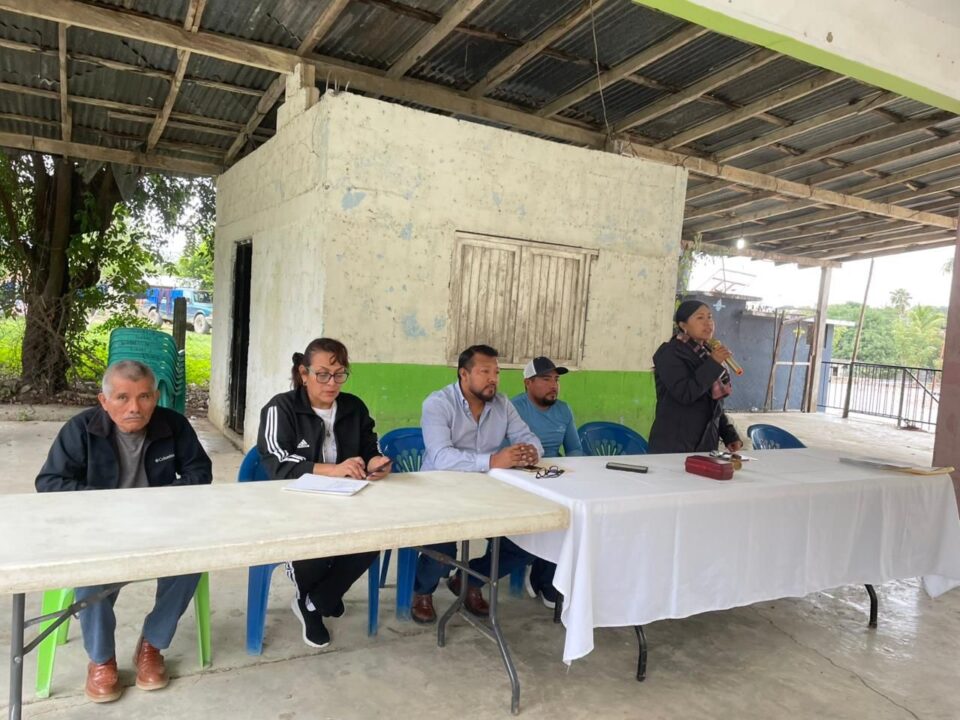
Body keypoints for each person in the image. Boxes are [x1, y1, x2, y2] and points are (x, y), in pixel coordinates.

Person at [35, 360, 212, 704]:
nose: (135, 407)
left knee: (192, 560)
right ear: (104, 401)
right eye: (122, 398)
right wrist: (109, 505)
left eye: (144, 397)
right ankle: (102, 660)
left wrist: (158, 500)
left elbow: (200, 472)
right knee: (91, 572)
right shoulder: (81, 429)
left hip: (158, 525)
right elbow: (50, 482)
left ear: (155, 397)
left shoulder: (173, 425)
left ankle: (152, 644)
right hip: (100, 529)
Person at [257, 337, 391, 649]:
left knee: (377, 535)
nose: (332, 383)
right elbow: (277, 462)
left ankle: (315, 601)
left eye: (339, 374)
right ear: (303, 374)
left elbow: (369, 446)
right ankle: (319, 599)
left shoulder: (354, 407)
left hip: (347, 499)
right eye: (322, 375)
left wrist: (376, 462)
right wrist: (334, 469)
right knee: (314, 547)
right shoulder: (281, 408)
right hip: (294, 503)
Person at [412, 344, 544, 624]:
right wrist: (493, 460)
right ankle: (423, 591)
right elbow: (441, 456)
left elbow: (527, 436)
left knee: (529, 540)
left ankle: (469, 579)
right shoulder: (438, 403)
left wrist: (532, 451)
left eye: (496, 372)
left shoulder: (502, 404)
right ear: (464, 374)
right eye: (485, 372)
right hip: (440, 490)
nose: (493, 379)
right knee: (442, 552)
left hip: (488, 492)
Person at [510, 356, 583, 609]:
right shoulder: (513, 409)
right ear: (528, 383)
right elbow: (505, 452)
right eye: (545, 379)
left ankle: (548, 576)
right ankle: (540, 574)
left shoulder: (563, 409)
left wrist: (572, 471)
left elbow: (574, 449)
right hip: (522, 476)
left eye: (556, 379)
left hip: (556, 475)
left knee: (574, 515)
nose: (553, 385)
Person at [648, 300, 743, 454]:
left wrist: (728, 434)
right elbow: (685, 393)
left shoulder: (707, 353)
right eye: (700, 318)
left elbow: (713, 404)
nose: (708, 323)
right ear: (683, 325)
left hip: (706, 443)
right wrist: (713, 363)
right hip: (674, 444)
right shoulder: (669, 353)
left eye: (710, 317)